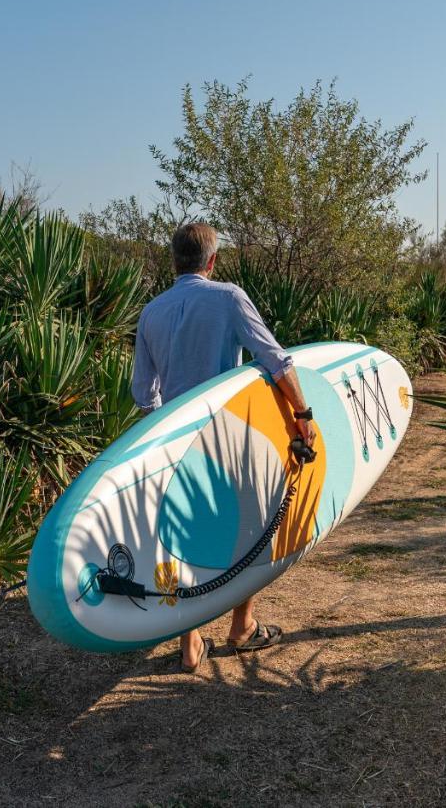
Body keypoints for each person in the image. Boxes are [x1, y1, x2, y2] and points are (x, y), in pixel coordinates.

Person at [131, 222, 317, 673]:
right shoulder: (228, 297)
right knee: (249, 532)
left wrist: (163, 429)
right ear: (212, 261)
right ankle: (242, 627)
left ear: (173, 260)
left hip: (174, 444)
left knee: (178, 538)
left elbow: (142, 392)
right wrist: (302, 413)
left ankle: (190, 641)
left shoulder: (151, 312)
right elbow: (274, 359)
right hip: (224, 437)